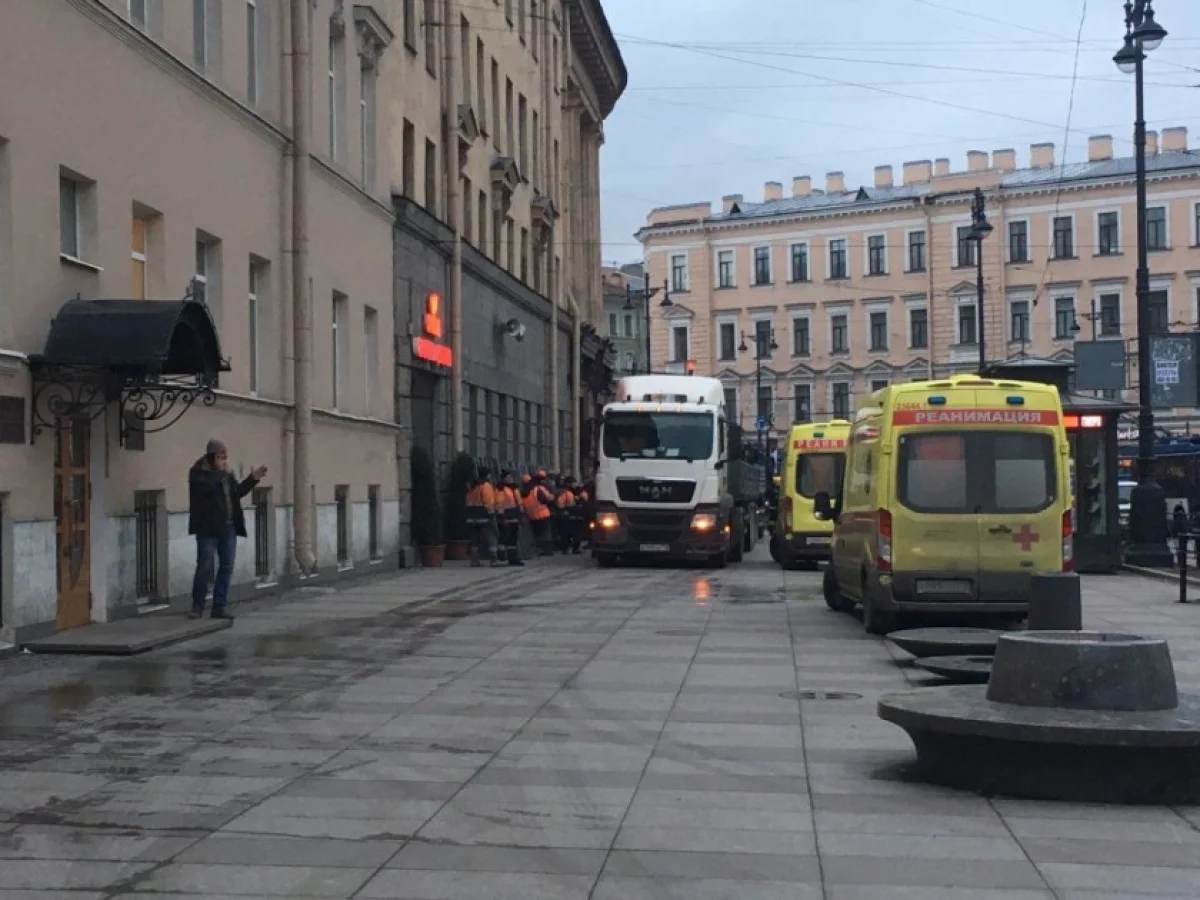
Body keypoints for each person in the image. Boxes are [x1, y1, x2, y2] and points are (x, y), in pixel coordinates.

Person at [188, 439, 267, 621]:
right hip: (207, 528)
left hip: (228, 526)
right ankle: (197, 606)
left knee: (227, 566)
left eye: (225, 457)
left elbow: (237, 492)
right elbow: (206, 488)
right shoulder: (198, 472)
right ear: (212, 456)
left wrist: (253, 479)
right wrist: (222, 473)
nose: (224, 461)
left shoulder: (225, 474)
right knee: (204, 565)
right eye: (221, 457)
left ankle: (219, 606)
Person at [465, 470, 502, 567]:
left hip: (472, 517)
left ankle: (474, 561)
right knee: (492, 537)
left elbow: (468, 501)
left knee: (475, 540)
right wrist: (491, 514)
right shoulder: (485, 486)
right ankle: (494, 561)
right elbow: (488, 501)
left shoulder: (472, 486)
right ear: (486, 475)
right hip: (484, 517)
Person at [495, 471, 525, 566]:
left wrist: (521, 514)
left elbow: (519, 502)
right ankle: (502, 557)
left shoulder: (514, 488)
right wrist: (502, 516)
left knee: (513, 539)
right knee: (504, 537)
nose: (510, 479)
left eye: (511, 477)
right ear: (503, 479)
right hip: (506, 516)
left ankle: (513, 559)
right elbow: (499, 503)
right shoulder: (501, 489)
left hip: (515, 516)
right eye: (508, 478)